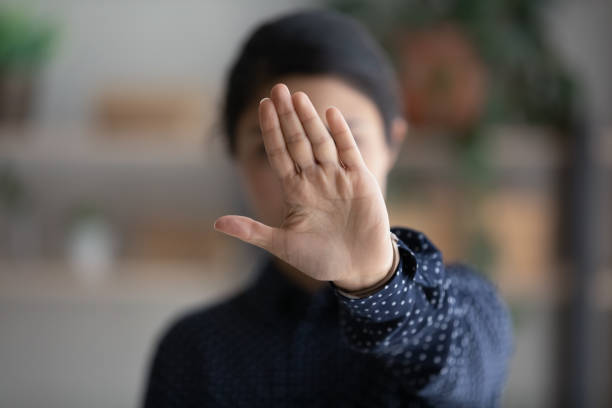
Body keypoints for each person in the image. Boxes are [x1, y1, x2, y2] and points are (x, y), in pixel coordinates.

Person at [142, 9, 513, 408]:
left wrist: (374, 280)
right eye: (273, 149)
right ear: (235, 157)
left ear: (393, 143)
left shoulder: (467, 308)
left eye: (341, 143)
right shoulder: (196, 350)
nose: (309, 174)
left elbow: (464, 381)